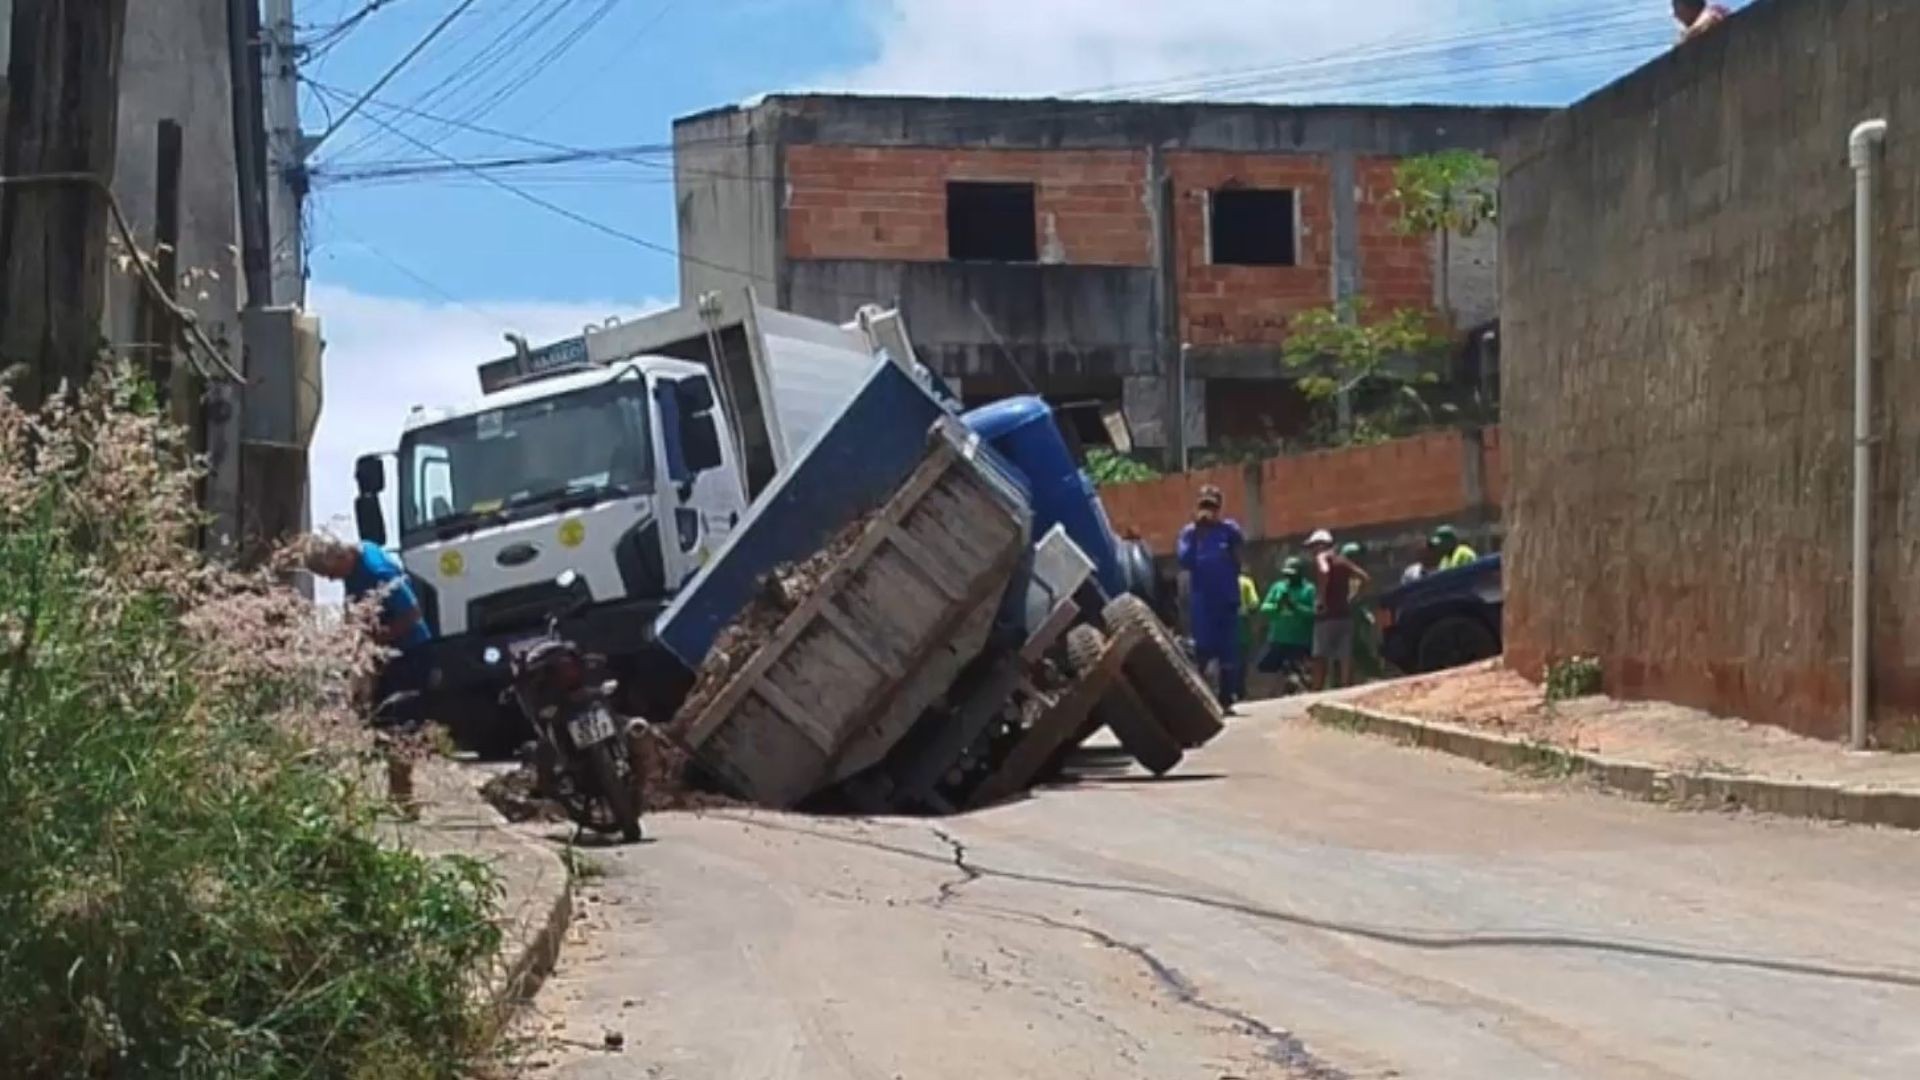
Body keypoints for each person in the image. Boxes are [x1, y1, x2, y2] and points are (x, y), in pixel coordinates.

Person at [306, 536, 435, 722]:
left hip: (410, 654)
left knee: (397, 719)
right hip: (384, 658)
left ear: (342, 557)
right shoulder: (359, 555)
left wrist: (377, 641)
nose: (331, 579)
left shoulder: (377, 572)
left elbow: (413, 614)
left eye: (331, 573)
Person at [1176, 485, 1245, 711]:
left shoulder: (1229, 530)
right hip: (1203, 603)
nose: (1209, 511)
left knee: (1228, 652)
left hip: (1226, 600)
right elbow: (1184, 560)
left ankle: (1227, 697)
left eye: (1213, 507)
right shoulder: (1189, 533)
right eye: (1204, 506)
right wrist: (1198, 532)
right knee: (1202, 650)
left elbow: (1239, 555)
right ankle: (1201, 699)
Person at [1306, 529, 1370, 691]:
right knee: (1344, 655)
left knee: (1320, 656)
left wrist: (1321, 598)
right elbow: (1364, 577)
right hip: (1344, 614)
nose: (1312, 551)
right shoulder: (1342, 560)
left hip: (1326, 616)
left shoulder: (1322, 557)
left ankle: (1317, 690)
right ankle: (1345, 687)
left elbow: (1324, 571)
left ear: (1321, 545)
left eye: (1313, 546)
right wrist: (1354, 598)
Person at [1257, 556, 1316, 689]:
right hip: (1278, 639)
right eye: (1287, 574)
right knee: (1267, 669)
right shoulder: (1278, 587)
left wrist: (1294, 606)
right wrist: (1277, 606)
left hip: (1299, 642)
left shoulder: (1309, 589)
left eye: (1293, 575)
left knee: (1298, 673)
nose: (1289, 578)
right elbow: (1264, 607)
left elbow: (1313, 613)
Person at [1236, 569, 1259, 703]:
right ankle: (1240, 692)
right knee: (1241, 661)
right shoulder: (1245, 582)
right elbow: (1254, 604)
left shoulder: (1217, 581)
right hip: (1241, 624)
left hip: (1222, 625)